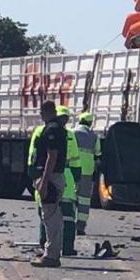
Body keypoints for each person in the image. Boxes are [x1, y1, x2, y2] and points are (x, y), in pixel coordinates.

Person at [31, 101, 67, 267]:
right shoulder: (58, 129)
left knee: (50, 216)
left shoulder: (52, 130)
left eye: (42, 112)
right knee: (52, 215)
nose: (40, 116)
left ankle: (51, 255)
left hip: (51, 177)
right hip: (55, 176)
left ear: (47, 112)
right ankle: (51, 251)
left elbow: (51, 156)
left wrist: (44, 181)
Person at [56, 106, 81, 256]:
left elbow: (75, 160)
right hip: (65, 176)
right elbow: (75, 161)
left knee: (52, 215)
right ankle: (66, 247)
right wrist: (76, 177)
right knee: (66, 216)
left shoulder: (48, 132)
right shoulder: (70, 135)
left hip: (58, 175)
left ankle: (52, 246)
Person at [73, 112, 102, 235]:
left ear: (80, 121)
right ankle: (81, 226)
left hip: (74, 168)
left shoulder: (73, 133)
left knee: (71, 197)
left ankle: (69, 224)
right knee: (84, 199)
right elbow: (98, 153)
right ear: (90, 123)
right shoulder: (94, 136)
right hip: (87, 171)